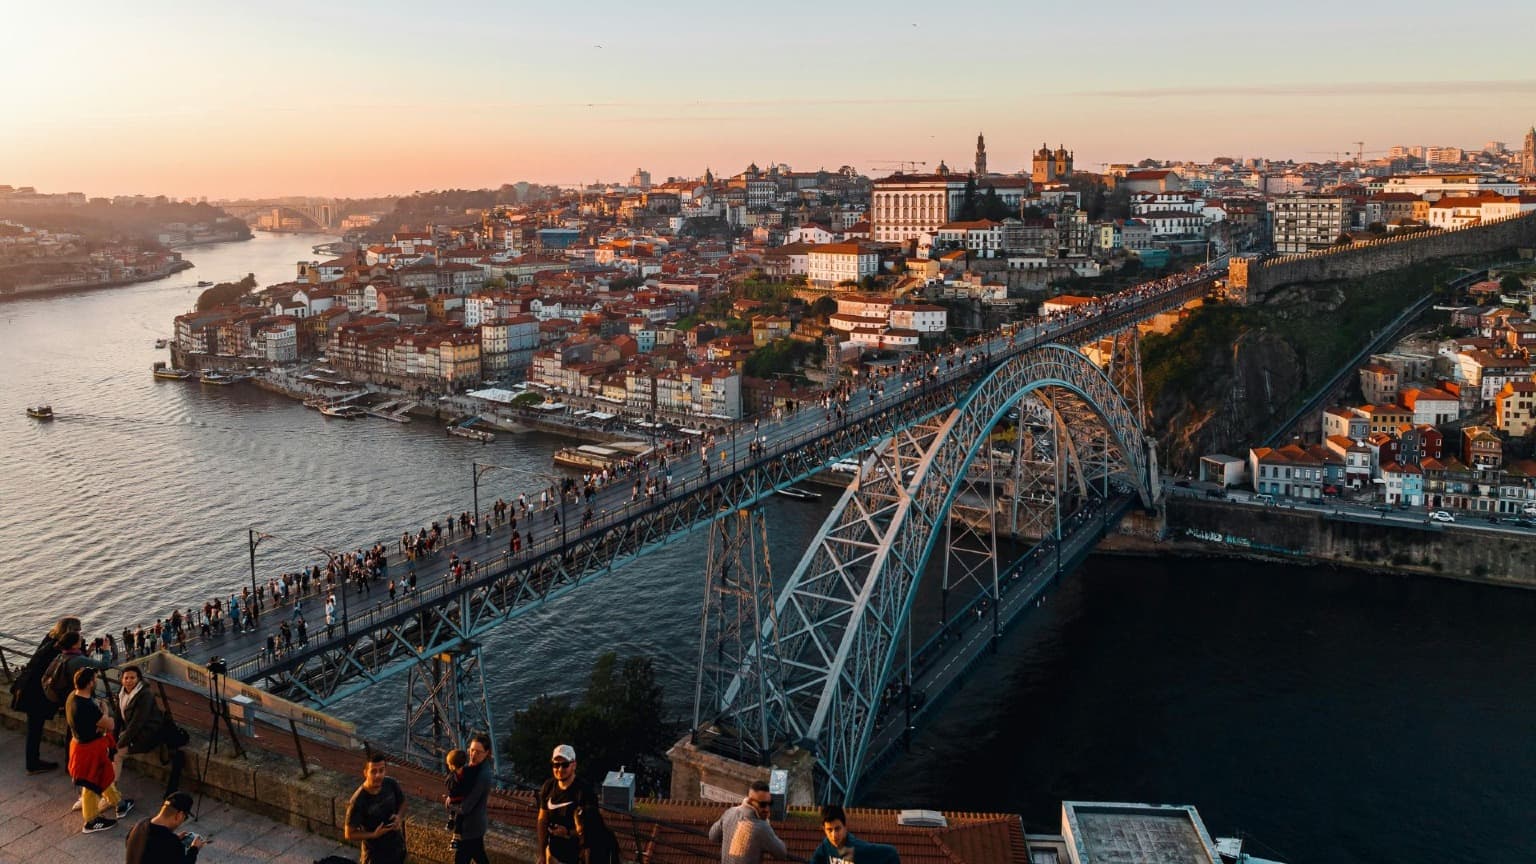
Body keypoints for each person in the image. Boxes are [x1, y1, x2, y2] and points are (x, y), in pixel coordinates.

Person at [66, 666, 132, 833]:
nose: (96, 682)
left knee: (103, 776)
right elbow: (110, 724)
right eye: (95, 679)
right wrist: (104, 711)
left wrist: (98, 722)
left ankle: (119, 803)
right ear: (90, 683)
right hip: (89, 749)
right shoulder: (87, 706)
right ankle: (91, 820)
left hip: (79, 744)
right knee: (91, 783)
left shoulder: (72, 697)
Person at [12, 615, 79, 774]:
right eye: (77, 630)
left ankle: (33, 762)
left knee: (33, 729)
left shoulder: (49, 639)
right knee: (35, 729)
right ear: (69, 631)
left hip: (27, 689)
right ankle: (33, 764)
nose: (79, 633)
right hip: (36, 694)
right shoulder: (57, 648)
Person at [536, 744, 616, 864]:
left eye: (565, 765)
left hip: (578, 857)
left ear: (574, 765)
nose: (560, 769)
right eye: (556, 765)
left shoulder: (584, 791)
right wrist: (542, 854)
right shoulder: (548, 787)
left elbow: (593, 830)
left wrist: (567, 833)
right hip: (553, 856)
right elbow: (542, 820)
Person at [116, 665, 186, 799]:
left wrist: (119, 744)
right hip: (134, 734)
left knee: (116, 754)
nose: (129, 681)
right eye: (126, 678)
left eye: (132, 678)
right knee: (107, 750)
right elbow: (118, 718)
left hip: (147, 736)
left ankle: (110, 793)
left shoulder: (145, 695)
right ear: (122, 680)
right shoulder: (122, 694)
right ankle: (105, 790)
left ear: (139, 679)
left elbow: (137, 723)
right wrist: (114, 739)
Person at [344, 753, 407, 864]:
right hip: (374, 856)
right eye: (373, 771)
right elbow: (349, 834)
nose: (378, 775)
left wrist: (399, 817)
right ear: (365, 773)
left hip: (397, 848)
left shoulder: (391, 784)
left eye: (381, 770)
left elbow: (403, 802)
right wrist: (373, 835)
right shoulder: (358, 801)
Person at [708, 781, 786, 864]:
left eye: (770, 803)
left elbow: (712, 836)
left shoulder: (730, 812)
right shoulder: (762, 827)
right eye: (762, 804)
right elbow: (781, 853)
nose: (767, 809)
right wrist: (766, 824)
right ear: (750, 801)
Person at [124, 791, 206, 864]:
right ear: (179, 815)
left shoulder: (138, 826)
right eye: (185, 818)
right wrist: (194, 849)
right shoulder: (172, 844)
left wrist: (173, 839)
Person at [448, 732, 492, 864]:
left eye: (478, 752)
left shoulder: (482, 775)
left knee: (463, 859)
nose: (473, 755)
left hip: (471, 828)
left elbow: (466, 808)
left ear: (487, 753)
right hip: (473, 827)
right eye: (472, 750)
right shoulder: (474, 768)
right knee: (478, 856)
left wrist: (449, 804)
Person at [810, 804, 901, 864]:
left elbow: (891, 852)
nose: (834, 835)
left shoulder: (858, 848)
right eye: (829, 830)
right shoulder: (825, 846)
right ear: (824, 830)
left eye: (837, 829)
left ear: (845, 827)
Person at [444, 748, 468, 853]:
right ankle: (454, 835)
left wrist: (449, 797)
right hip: (459, 800)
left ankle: (454, 833)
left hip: (459, 801)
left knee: (458, 813)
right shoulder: (466, 773)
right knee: (458, 814)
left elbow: (451, 789)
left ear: (452, 765)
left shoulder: (452, 777)